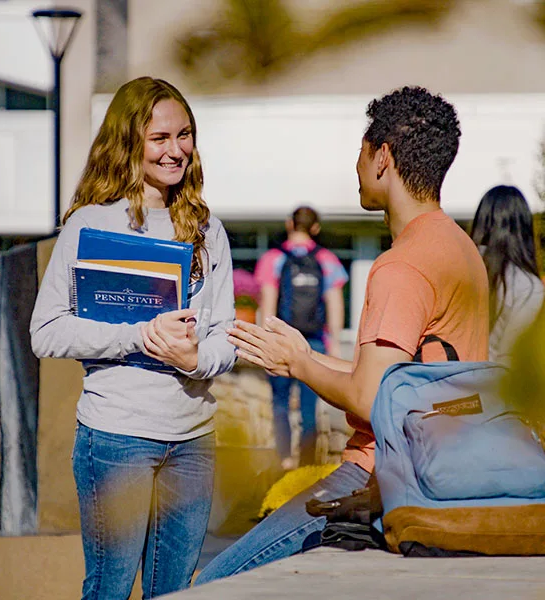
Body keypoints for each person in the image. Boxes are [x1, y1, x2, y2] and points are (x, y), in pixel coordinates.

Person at [195, 85, 489, 585]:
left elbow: (370, 396)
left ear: (382, 157)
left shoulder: (402, 265)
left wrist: (300, 364)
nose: (355, 165)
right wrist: (301, 353)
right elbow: (403, 381)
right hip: (442, 467)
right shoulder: (460, 247)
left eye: (360, 149)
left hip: (380, 473)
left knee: (214, 581)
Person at [29, 77, 236, 600]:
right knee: (109, 590)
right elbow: (46, 331)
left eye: (184, 135)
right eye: (159, 138)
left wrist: (195, 357)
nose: (176, 151)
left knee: (176, 592)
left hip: (194, 440)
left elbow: (227, 336)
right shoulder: (91, 224)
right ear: (129, 142)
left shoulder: (209, 230)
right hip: (117, 437)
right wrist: (139, 335)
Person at [253, 206, 348, 469]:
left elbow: (268, 304)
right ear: (316, 228)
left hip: (281, 341)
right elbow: (335, 303)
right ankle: (306, 464)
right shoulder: (327, 259)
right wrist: (336, 344)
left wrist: (266, 341)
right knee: (309, 409)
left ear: (289, 224)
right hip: (313, 343)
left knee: (281, 404)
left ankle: (284, 459)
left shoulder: (273, 258)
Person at [470, 184, 545, 365]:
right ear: (523, 228)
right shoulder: (527, 285)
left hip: (443, 380)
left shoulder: (459, 265)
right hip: (489, 386)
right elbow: (511, 356)